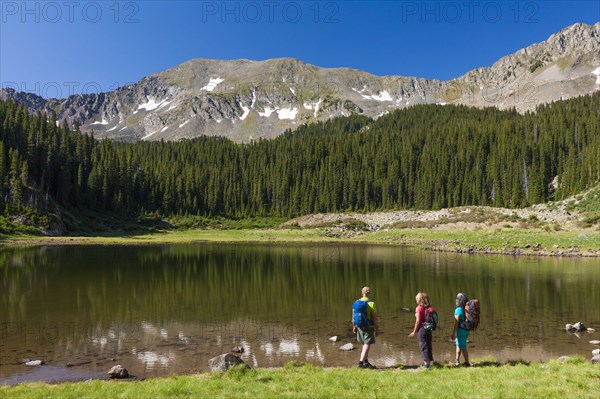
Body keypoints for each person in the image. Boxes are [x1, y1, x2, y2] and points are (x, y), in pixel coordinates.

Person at [352, 286, 379, 369]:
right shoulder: (371, 303)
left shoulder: (356, 303)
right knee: (367, 344)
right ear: (369, 293)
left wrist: (354, 326)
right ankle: (360, 363)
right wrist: (376, 329)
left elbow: (353, 316)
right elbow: (374, 318)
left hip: (359, 325)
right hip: (368, 326)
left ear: (362, 293)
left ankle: (366, 362)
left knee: (364, 344)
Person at [408, 292, 433, 369]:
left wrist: (414, 332)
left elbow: (418, 321)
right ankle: (430, 361)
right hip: (429, 328)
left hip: (422, 329)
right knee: (428, 345)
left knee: (423, 345)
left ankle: (427, 365)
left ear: (419, 300)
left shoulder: (419, 308)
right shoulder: (429, 307)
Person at [451, 292, 471, 367]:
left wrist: (453, 333)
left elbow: (456, 322)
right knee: (458, 344)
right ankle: (457, 359)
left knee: (463, 346)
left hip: (461, 330)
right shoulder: (466, 309)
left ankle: (467, 362)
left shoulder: (458, 310)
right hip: (466, 330)